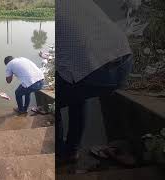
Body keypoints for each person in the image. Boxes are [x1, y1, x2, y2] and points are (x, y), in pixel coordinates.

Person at [57, 0, 133, 164]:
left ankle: (61, 153)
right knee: (75, 91)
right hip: (124, 63)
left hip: (98, 72)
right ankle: (72, 150)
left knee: (53, 100)